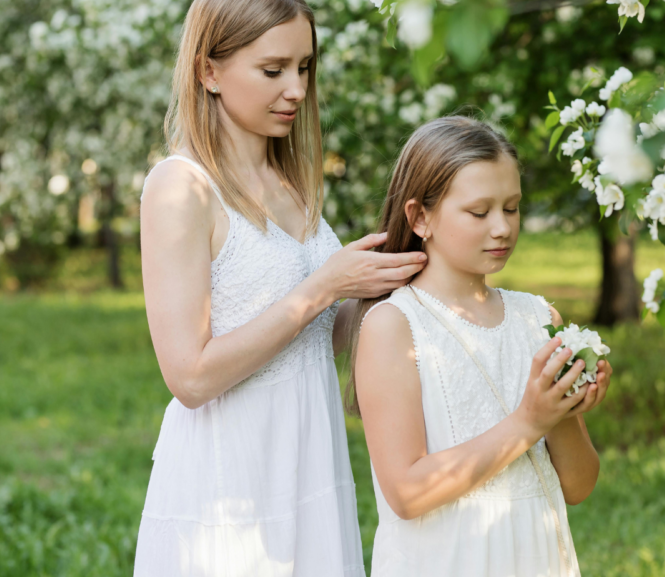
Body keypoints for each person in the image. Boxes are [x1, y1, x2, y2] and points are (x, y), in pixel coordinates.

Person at [134, 1, 425, 574]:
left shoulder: (291, 184)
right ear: (208, 72)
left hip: (309, 461)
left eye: (305, 67)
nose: (295, 89)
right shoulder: (181, 188)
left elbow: (320, 336)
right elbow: (190, 377)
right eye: (272, 71)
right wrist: (323, 286)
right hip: (230, 477)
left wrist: (390, 282)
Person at [351, 116, 612, 577]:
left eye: (511, 208)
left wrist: (563, 413)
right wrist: (529, 421)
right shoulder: (394, 326)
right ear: (420, 217)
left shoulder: (537, 318)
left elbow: (579, 484)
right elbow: (406, 493)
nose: (502, 228)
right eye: (479, 212)